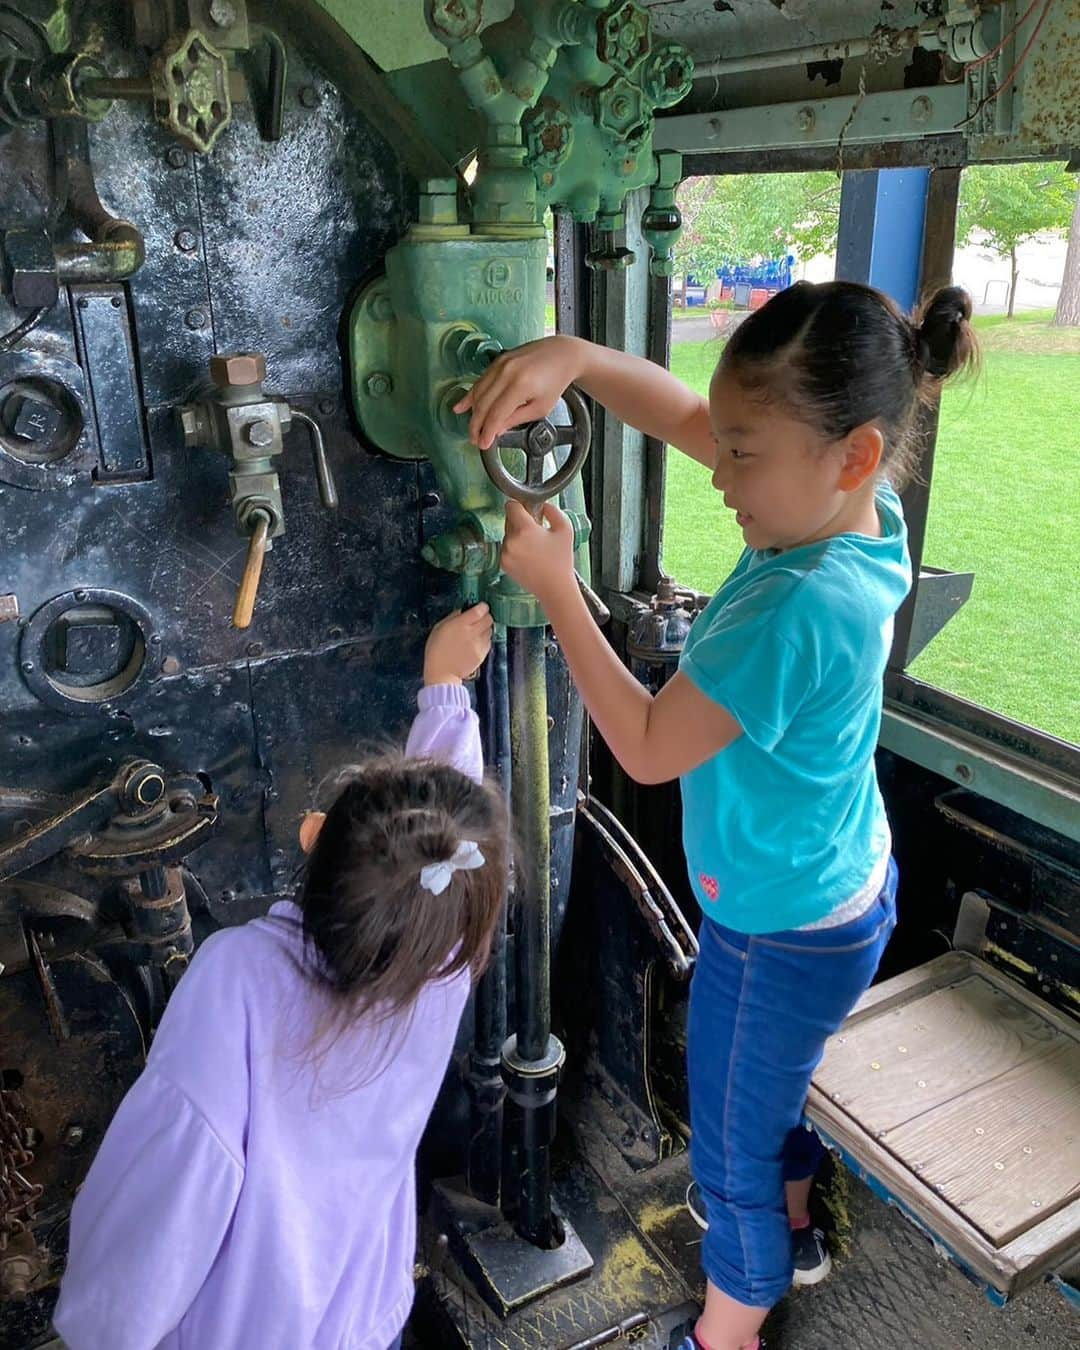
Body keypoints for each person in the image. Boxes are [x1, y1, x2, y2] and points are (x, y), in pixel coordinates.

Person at [456, 281, 977, 1350]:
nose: (720, 473)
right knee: (770, 1092)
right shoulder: (848, 521)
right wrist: (580, 358)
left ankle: (728, 1329)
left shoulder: (794, 610)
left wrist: (559, 588)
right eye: (727, 447)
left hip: (777, 930)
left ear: (856, 454)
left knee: (730, 1147)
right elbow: (687, 417)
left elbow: (645, 745)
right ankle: (795, 1226)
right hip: (844, 881)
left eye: (744, 458)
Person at [53, 605, 506, 1350]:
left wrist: (97, 1328)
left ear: (313, 835)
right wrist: (445, 689)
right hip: (362, 1319)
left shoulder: (237, 983)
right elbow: (445, 843)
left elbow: (164, 1201)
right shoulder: (441, 957)